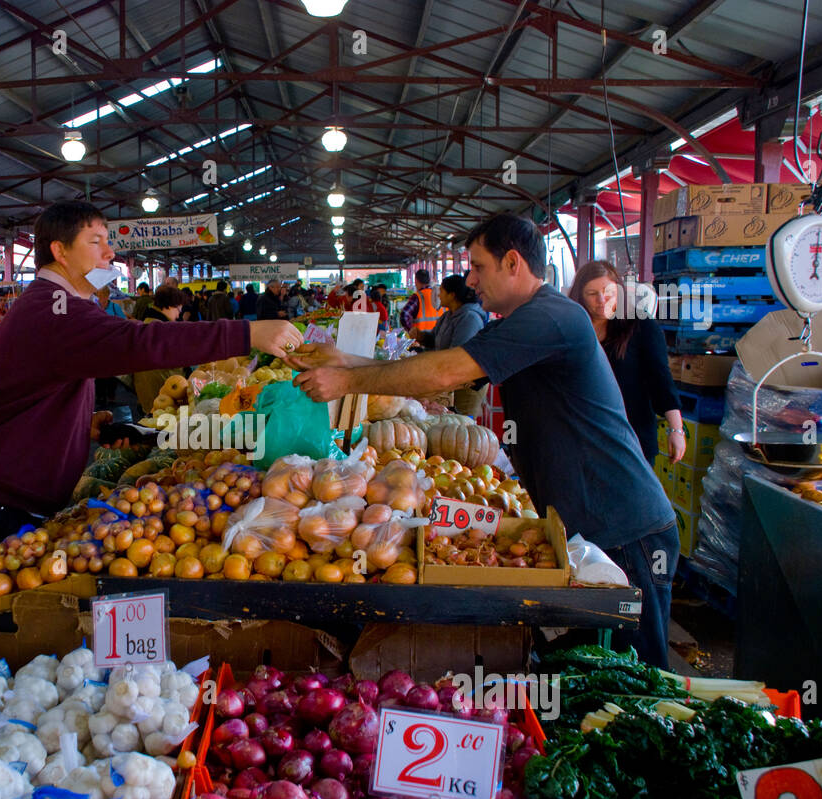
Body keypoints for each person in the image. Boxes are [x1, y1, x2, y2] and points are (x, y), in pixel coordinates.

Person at [289, 213, 678, 668]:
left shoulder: (551, 319)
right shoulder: (523, 319)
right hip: (586, 526)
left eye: (478, 266)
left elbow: (444, 373)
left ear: (513, 262)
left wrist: (346, 382)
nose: (470, 279)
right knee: (583, 672)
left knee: (642, 680)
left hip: (624, 527)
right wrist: (346, 360)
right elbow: (447, 377)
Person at [0, 201, 298, 595]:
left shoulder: (54, 305)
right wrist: (246, 334)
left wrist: (80, 423)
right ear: (59, 250)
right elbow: (138, 342)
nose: (110, 252)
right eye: (97, 241)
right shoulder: (54, 309)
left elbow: (28, 390)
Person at [570, 261, 685, 465]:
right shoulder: (572, 330)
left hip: (633, 441)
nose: (601, 299)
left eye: (608, 291)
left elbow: (661, 380)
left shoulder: (641, 326)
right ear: (580, 296)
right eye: (591, 293)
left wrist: (676, 429)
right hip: (583, 440)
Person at [432, 275, 489, 417]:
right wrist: (420, 336)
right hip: (452, 380)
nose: (438, 294)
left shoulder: (469, 318)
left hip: (468, 384)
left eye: (442, 291)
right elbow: (434, 340)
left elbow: (458, 355)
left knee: (464, 424)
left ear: (452, 295)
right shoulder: (447, 316)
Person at [400, 268, 444, 342]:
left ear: (416, 280)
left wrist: (411, 331)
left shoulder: (417, 297)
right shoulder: (440, 295)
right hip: (439, 340)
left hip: (421, 341)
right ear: (429, 280)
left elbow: (404, 315)